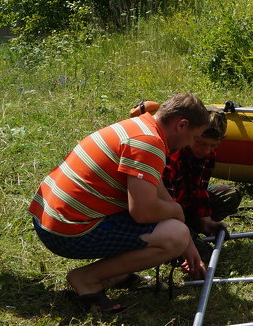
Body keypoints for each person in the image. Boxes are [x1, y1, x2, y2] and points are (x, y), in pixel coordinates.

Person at [30, 94, 211, 313]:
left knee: (180, 232)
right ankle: (87, 280)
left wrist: (188, 245)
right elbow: (142, 212)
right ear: (182, 125)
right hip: (66, 231)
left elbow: (161, 196)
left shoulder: (141, 127)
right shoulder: (149, 144)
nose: (191, 145)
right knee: (174, 235)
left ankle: (117, 273)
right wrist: (179, 222)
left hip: (50, 219)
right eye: (194, 137)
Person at [130, 102, 242, 260]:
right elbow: (163, 202)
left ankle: (193, 227)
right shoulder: (172, 153)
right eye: (201, 143)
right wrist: (186, 237)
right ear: (193, 134)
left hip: (183, 205)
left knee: (230, 195)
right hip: (163, 212)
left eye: (213, 146)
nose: (206, 150)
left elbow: (200, 188)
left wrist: (206, 220)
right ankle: (179, 237)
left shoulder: (207, 155)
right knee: (204, 255)